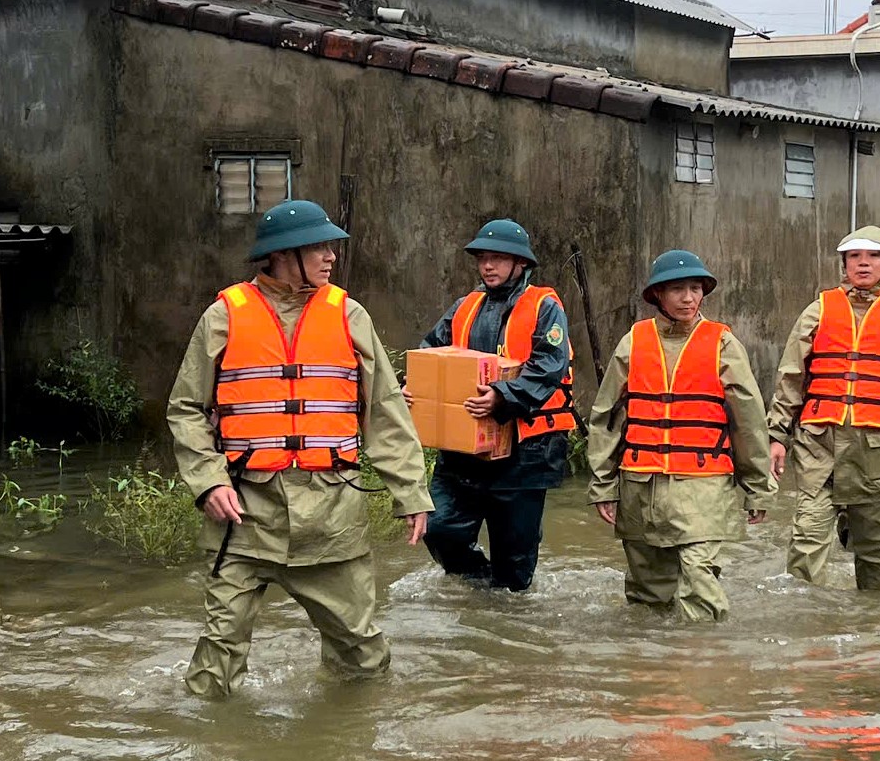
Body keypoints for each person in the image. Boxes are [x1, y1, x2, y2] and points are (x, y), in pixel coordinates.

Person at [168, 200, 432, 697]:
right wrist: (207, 482)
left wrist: (411, 492)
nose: (331, 256)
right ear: (283, 254)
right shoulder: (224, 316)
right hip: (243, 519)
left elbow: (385, 411)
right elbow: (185, 408)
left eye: (330, 246)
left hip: (332, 518)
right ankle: (210, 760)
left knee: (361, 655)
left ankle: (348, 746)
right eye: (318, 246)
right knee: (215, 666)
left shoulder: (349, 315)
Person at [584, 250, 774, 620]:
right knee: (647, 593)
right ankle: (656, 669)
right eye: (676, 289)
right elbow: (607, 418)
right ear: (658, 295)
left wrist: (757, 486)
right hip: (641, 485)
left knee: (699, 579)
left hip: (703, 486)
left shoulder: (722, 344)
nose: (688, 298)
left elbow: (748, 421)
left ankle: (701, 666)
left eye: (694, 288)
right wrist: (603, 485)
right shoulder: (634, 341)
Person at [767, 227, 880, 589]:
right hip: (820, 449)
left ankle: (877, 637)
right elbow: (791, 376)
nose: (863, 264)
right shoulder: (818, 310)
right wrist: (776, 435)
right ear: (843, 263)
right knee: (806, 541)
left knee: (879, 556)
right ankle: (806, 631)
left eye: (872, 256)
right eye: (854, 257)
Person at [416, 219, 576, 592]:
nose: (488, 266)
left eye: (498, 258)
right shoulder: (464, 306)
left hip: (526, 451)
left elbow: (550, 365)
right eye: (483, 258)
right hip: (464, 450)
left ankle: (504, 608)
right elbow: (432, 351)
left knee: (515, 562)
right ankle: (478, 584)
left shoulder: (544, 306)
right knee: (439, 528)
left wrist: (503, 396)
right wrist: (415, 385)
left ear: (520, 264)